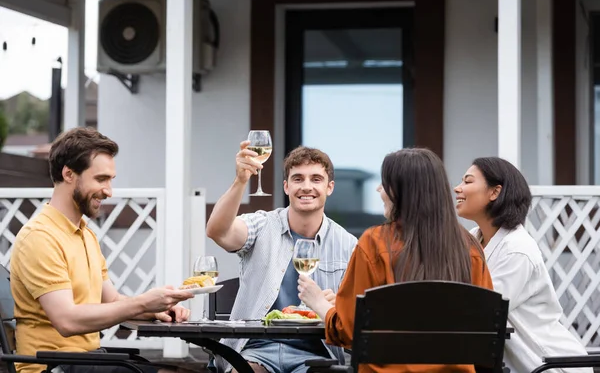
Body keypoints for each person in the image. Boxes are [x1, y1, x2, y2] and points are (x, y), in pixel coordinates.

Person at [10, 127, 195, 373]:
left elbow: (114, 301)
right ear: (69, 174)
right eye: (101, 179)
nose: (109, 191)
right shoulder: (40, 237)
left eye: (110, 180)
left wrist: (157, 308)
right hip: (50, 367)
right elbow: (66, 320)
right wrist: (141, 303)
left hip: (88, 360)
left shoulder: (85, 234)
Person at [298, 148, 493, 373]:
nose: (379, 189)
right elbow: (485, 333)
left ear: (401, 191)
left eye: (385, 183)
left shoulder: (374, 243)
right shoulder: (470, 247)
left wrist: (319, 303)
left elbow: (350, 330)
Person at [206, 142, 358, 373]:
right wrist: (241, 181)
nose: (306, 187)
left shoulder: (348, 245)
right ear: (286, 187)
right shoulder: (262, 224)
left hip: (317, 354)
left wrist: (339, 305)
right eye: (298, 179)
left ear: (330, 187)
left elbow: (359, 315)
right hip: (255, 350)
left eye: (316, 179)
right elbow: (218, 231)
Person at [454, 156, 591, 373]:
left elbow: (484, 311)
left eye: (468, 182)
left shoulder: (516, 248)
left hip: (550, 366)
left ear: (494, 192)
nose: (457, 188)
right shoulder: (474, 238)